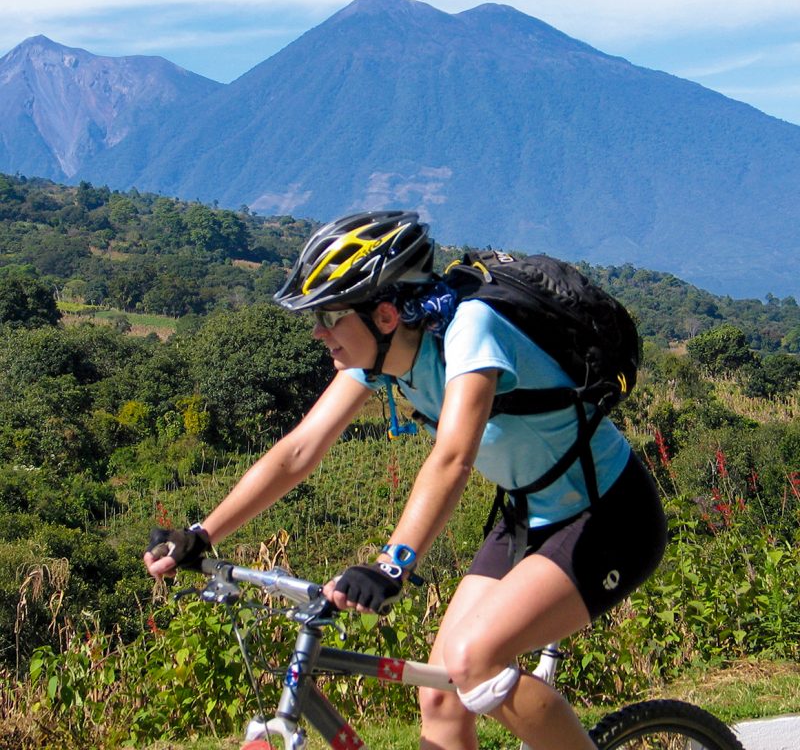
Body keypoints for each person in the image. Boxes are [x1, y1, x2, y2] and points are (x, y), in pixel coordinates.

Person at [144, 210, 667, 750]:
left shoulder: (472, 329)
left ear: (387, 314)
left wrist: (392, 565)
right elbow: (298, 451)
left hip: (608, 517)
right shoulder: (376, 355)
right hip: (526, 514)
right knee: (440, 695)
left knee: (473, 661)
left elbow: (453, 458)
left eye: (329, 317)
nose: (319, 334)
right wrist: (202, 533)